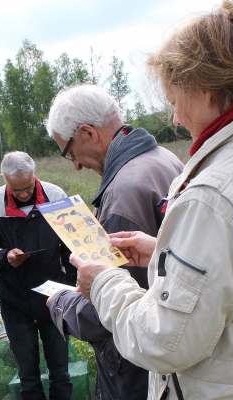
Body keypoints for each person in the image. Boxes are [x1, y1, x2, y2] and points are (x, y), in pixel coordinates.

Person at [72, 2, 233, 399]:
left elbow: (163, 343)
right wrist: (166, 253)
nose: (177, 118)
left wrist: (105, 283)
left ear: (206, 91)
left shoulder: (214, 193)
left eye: (175, 99)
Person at [44, 84, 183, 399]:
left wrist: (62, 305)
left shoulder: (122, 195)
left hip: (136, 368)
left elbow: (108, 311)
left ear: (88, 133)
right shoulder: (164, 157)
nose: (75, 164)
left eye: (69, 151)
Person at [0, 151, 76, 400]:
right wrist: (5, 257)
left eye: (28, 187)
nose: (24, 194)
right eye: (16, 190)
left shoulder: (57, 196)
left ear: (34, 173)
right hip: (14, 301)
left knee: (61, 371)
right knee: (28, 376)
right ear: (3, 178)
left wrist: (68, 286)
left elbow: (73, 246)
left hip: (55, 298)